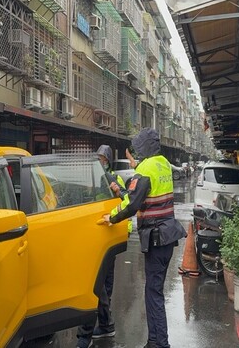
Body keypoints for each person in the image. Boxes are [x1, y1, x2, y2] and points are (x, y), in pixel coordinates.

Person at [102, 128, 187, 348]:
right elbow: (141, 196)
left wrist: (111, 217)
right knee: (154, 290)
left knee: (153, 293)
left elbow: (132, 204)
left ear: (141, 149)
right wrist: (121, 191)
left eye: (134, 153)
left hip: (157, 238)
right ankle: (154, 340)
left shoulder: (145, 168)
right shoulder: (163, 164)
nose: (132, 158)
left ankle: (160, 343)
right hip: (167, 235)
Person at [76, 145, 133, 348]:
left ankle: (87, 334)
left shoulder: (113, 180)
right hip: (95, 237)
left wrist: (118, 192)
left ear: (107, 161)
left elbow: (129, 201)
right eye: (98, 158)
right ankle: (106, 325)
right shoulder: (90, 179)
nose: (100, 162)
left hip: (109, 238)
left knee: (99, 287)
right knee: (101, 287)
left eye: (102, 159)